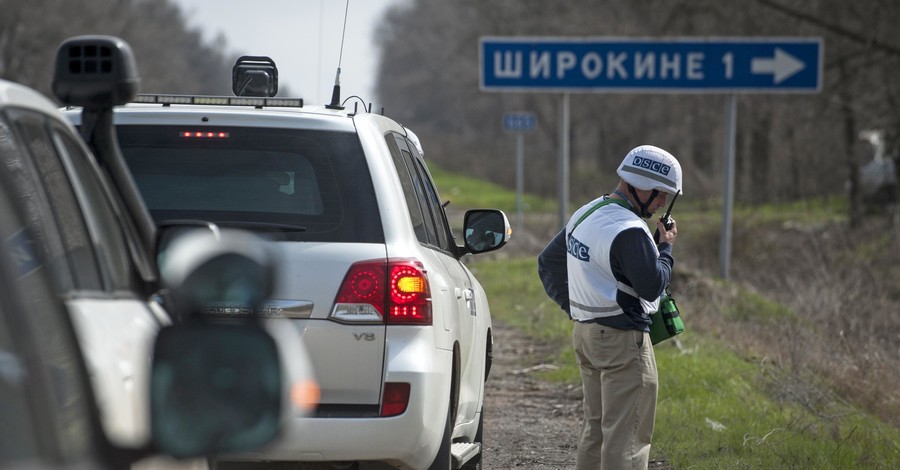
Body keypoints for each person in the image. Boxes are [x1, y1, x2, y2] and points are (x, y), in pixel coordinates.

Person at [537, 145, 682, 470]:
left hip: (586, 334)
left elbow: (548, 263)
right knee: (628, 439)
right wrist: (666, 249)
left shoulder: (587, 213)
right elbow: (652, 285)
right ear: (641, 186)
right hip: (622, 341)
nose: (661, 203)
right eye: (661, 195)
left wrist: (579, 308)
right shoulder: (630, 230)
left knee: (597, 431)